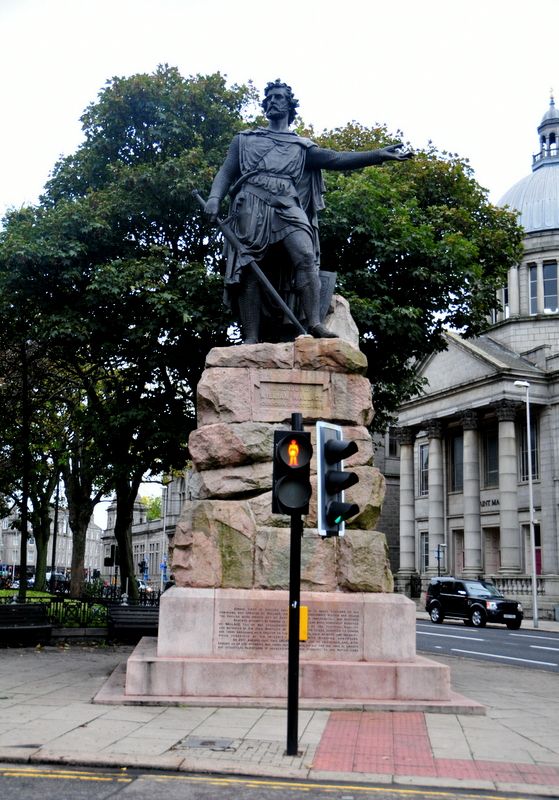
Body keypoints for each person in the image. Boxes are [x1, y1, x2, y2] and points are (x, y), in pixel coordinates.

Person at [205, 79, 412, 344]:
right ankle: (251, 337)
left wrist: (377, 155)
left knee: (305, 255)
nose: (272, 101)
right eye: (268, 98)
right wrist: (214, 198)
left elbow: (336, 159)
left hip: (287, 204)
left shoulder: (301, 146)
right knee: (250, 266)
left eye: (278, 97)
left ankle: (314, 322)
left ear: (290, 106)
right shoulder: (245, 140)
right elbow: (226, 171)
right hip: (251, 205)